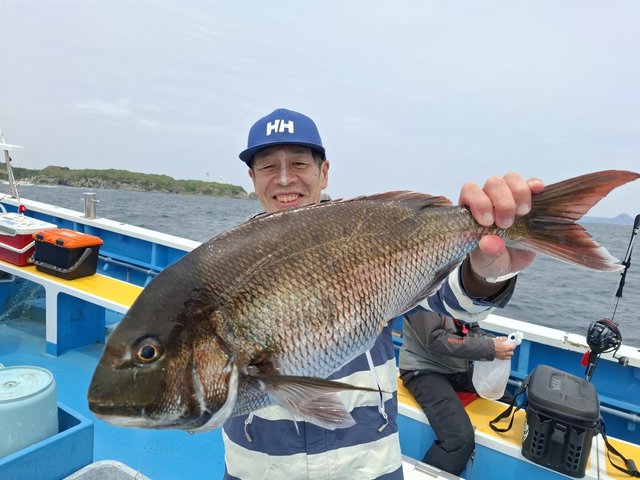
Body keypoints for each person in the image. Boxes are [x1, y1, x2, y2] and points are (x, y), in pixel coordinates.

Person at [222, 108, 542, 480]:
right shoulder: (226, 264)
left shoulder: (364, 236)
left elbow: (447, 302)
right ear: (252, 178)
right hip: (258, 468)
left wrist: (485, 274)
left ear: (324, 173)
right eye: (267, 167)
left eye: (298, 163)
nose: (283, 178)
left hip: (367, 467)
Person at [399, 307, 517, 475]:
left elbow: (471, 328)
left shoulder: (460, 296)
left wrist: (491, 341)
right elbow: (434, 339)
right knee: (459, 440)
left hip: (457, 371)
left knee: (509, 404)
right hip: (424, 370)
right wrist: (489, 348)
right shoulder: (422, 299)